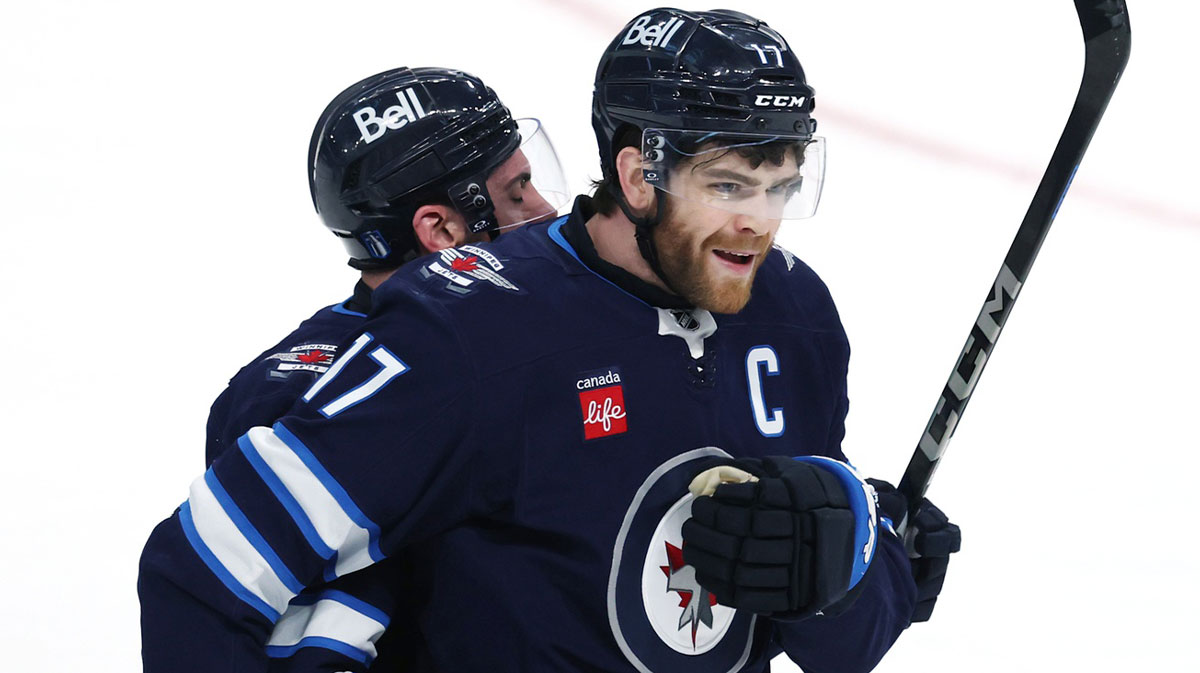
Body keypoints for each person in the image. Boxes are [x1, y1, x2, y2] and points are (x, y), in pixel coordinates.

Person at [139, 9, 958, 673]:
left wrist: (848, 569)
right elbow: (204, 571)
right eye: (728, 186)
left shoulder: (795, 312)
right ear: (640, 175)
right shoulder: (471, 331)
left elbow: (843, 643)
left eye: (780, 186)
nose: (760, 223)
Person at [182, 66, 568, 672]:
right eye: (517, 193)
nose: (547, 212)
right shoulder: (296, 403)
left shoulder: (531, 329)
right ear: (440, 229)